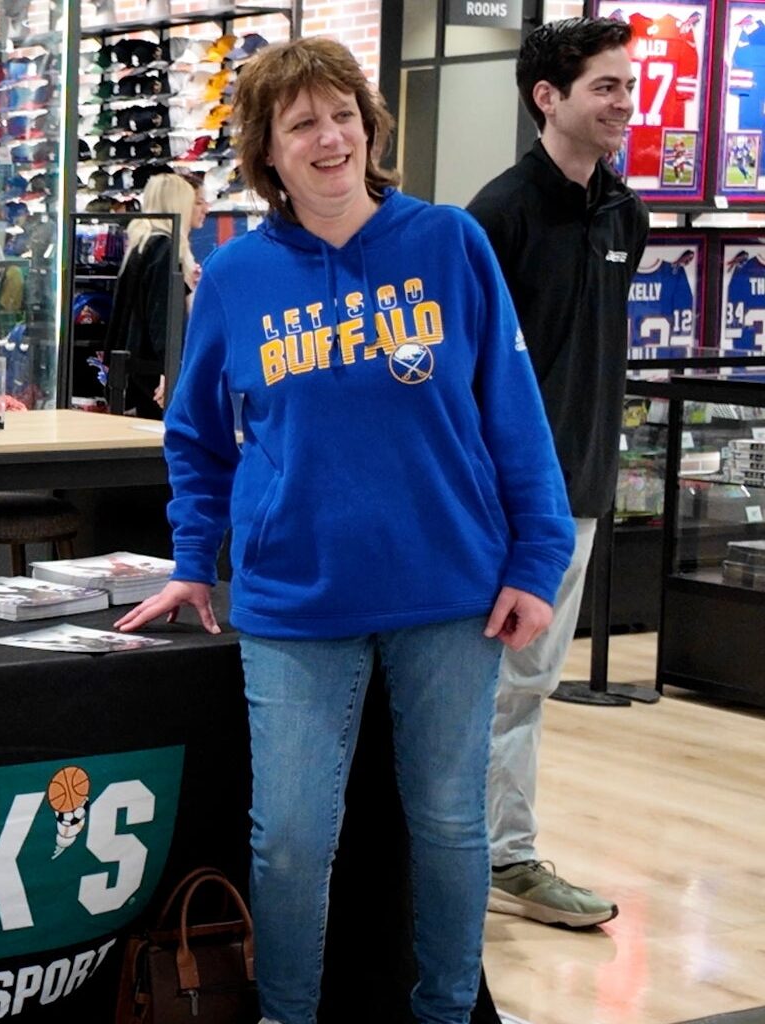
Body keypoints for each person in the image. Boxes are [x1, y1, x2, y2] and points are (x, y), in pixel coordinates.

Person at [116, 37, 572, 1024]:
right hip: (296, 600)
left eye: (344, 116)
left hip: (452, 591)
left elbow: (514, 415)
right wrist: (197, 562)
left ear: (370, 127)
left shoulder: (449, 243)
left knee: (450, 826)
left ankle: (446, 1012)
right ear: (268, 155)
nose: (330, 138)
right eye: (301, 124)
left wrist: (537, 561)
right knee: (287, 837)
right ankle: (287, 1014)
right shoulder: (236, 276)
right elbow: (196, 438)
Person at [465, 17, 646, 931]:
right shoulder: (494, 218)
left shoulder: (625, 213)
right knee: (492, 687)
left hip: (581, 492)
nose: (625, 101)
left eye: (627, 83)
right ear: (549, 96)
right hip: (502, 504)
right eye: (606, 86)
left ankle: (498, 854)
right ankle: (491, 857)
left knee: (525, 690)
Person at [104, 172, 206, 418]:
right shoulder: (164, 248)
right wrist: (168, 369)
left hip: (135, 369)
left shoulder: (143, 244)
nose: (203, 208)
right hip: (152, 375)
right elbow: (161, 317)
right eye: (195, 202)